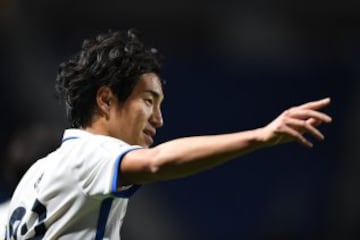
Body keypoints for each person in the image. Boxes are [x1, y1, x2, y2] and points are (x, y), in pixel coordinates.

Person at [4, 29, 332, 240]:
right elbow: (157, 163)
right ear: (106, 100)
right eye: (148, 101)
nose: (159, 119)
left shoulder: (35, 176)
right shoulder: (90, 155)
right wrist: (262, 136)